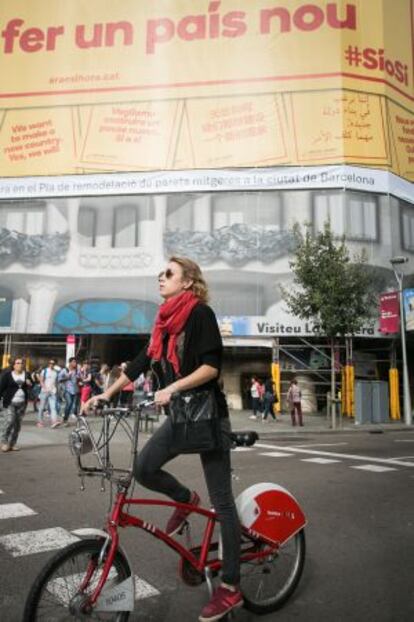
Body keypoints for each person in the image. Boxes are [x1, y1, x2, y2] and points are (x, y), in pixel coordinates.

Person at [83, 256, 243, 622]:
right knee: (144, 466)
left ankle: (231, 587)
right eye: (161, 273)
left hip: (209, 418)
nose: (161, 277)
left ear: (187, 282)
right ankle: (185, 500)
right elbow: (140, 363)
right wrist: (107, 394)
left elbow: (210, 366)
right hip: (180, 415)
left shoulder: (200, 314)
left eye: (168, 273)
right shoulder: (164, 324)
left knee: (223, 505)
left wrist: (171, 387)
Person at [0, 357, 32, 452]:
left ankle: (12, 444)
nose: (20, 365)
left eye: (21, 363)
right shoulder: (7, 375)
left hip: (22, 403)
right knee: (10, 420)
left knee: (17, 425)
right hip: (9, 402)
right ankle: (4, 442)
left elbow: (31, 385)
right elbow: (1, 388)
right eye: (18, 363)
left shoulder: (26, 375)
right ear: (13, 365)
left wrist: (30, 383)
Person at [37, 359, 61, 428]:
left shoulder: (56, 372)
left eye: (53, 363)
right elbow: (41, 381)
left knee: (53, 408)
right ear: (48, 364)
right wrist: (45, 388)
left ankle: (54, 421)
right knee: (42, 407)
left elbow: (56, 382)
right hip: (44, 391)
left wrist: (56, 390)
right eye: (50, 363)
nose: (52, 364)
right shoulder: (44, 371)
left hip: (52, 392)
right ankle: (40, 422)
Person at [58, 357, 80, 426]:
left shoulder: (76, 371)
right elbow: (59, 379)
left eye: (76, 362)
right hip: (67, 390)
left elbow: (79, 379)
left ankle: (65, 419)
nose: (75, 363)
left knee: (70, 405)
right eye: (73, 362)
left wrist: (79, 379)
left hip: (74, 390)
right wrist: (67, 377)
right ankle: (64, 419)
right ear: (70, 363)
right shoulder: (65, 370)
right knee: (69, 403)